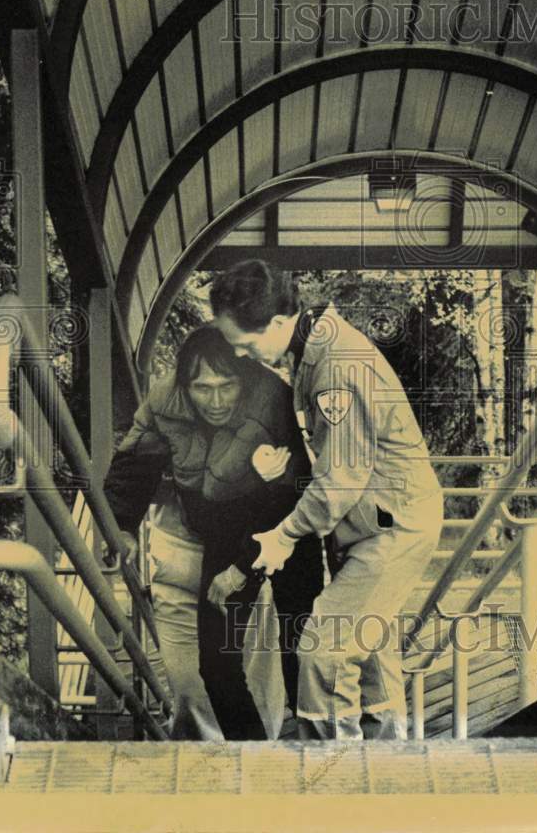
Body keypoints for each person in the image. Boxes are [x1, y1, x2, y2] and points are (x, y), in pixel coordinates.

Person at [210, 261, 444, 739]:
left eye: (246, 343)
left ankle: (325, 776)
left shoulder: (336, 367)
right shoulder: (314, 349)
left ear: (277, 323)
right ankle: (386, 765)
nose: (238, 352)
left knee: (322, 648)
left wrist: (284, 535)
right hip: (371, 524)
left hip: (391, 526)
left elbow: (340, 477)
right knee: (371, 649)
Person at [104, 326, 324, 740]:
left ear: (244, 378)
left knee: (300, 648)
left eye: (227, 386)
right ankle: (252, 756)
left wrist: (244, 566)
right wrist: (121, 526)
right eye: (203, 389)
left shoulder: (270, 397)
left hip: (286, 526)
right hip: (223, 526)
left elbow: (291, 493)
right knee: (216, 663)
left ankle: (314, 752)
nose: (217, 401)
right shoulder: (164, 400)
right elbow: (133, 464)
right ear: (184, 384)